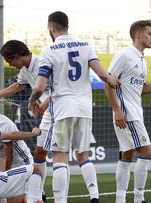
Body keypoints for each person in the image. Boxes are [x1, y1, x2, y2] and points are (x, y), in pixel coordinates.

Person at [29, 11, 120, 203]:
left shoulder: (49, 51)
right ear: (67, 26)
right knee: (83, 155)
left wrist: (32, 100)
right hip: (85, 109)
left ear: (51, 28)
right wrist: (112, 80)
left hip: (63, 110)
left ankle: (60, 200)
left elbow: (39, 87)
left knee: (60, 157)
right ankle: (94, 196)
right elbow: (103, 75)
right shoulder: (86, 46)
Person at [104, 20, 151, 203]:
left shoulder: (143, 61)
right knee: (146, 153)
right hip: (127, 115)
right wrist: (117, 110)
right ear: (138, 34)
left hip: (134, 113)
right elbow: (108, 82)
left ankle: (120, 199)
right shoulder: (125, 55)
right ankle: (139, 198)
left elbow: (141, 89)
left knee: (127, 155)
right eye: (150, 33)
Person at [0, 40, 52, 202]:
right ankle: (38, 195)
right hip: (49, 114)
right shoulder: (25, 69)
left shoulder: (42, 63)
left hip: (59, 110)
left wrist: (41, 104)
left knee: (64, 155)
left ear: (17, 56)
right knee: (40, 152)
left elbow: (57, 88)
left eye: (9, 61)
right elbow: (18, 86)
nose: (10, 65)